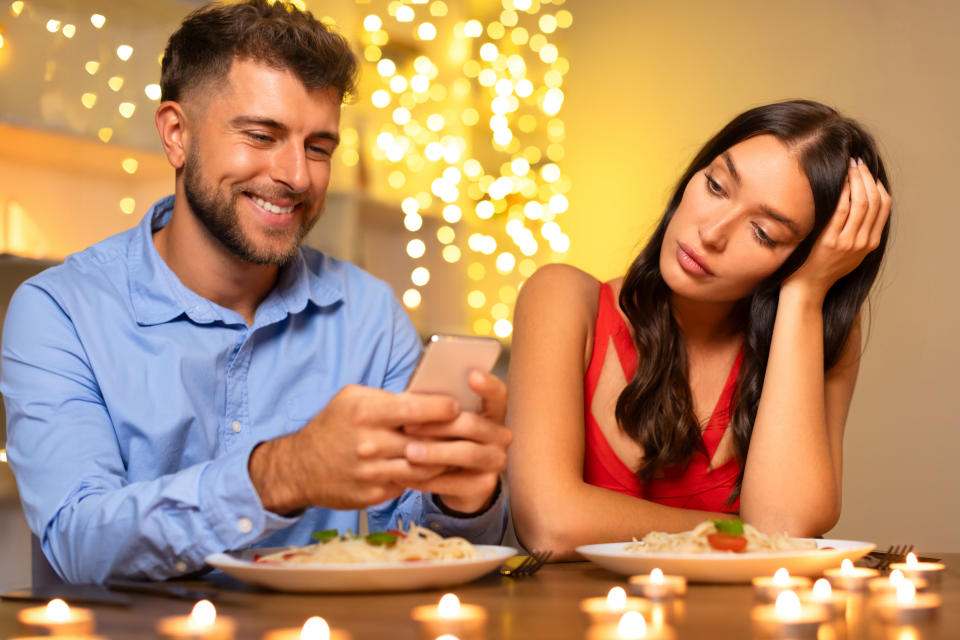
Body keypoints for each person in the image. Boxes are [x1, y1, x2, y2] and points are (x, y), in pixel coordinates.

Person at [1, 0, 511, 584]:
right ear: (176, 135)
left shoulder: (370, 313)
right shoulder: (60, 311)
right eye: (262, 135)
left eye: (318, 147)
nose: (296, 175)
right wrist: (278, 475)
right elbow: (79, 541)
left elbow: (421, 546)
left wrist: (463, 499)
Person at [506, 100, 891, 559]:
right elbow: (550, 526)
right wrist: (746, 532)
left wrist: (804, 295)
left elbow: (787, 525)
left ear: (805, 258)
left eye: (764, 232)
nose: (712, 231)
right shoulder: (563, 300)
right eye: (715, 185)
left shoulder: (815, 331)